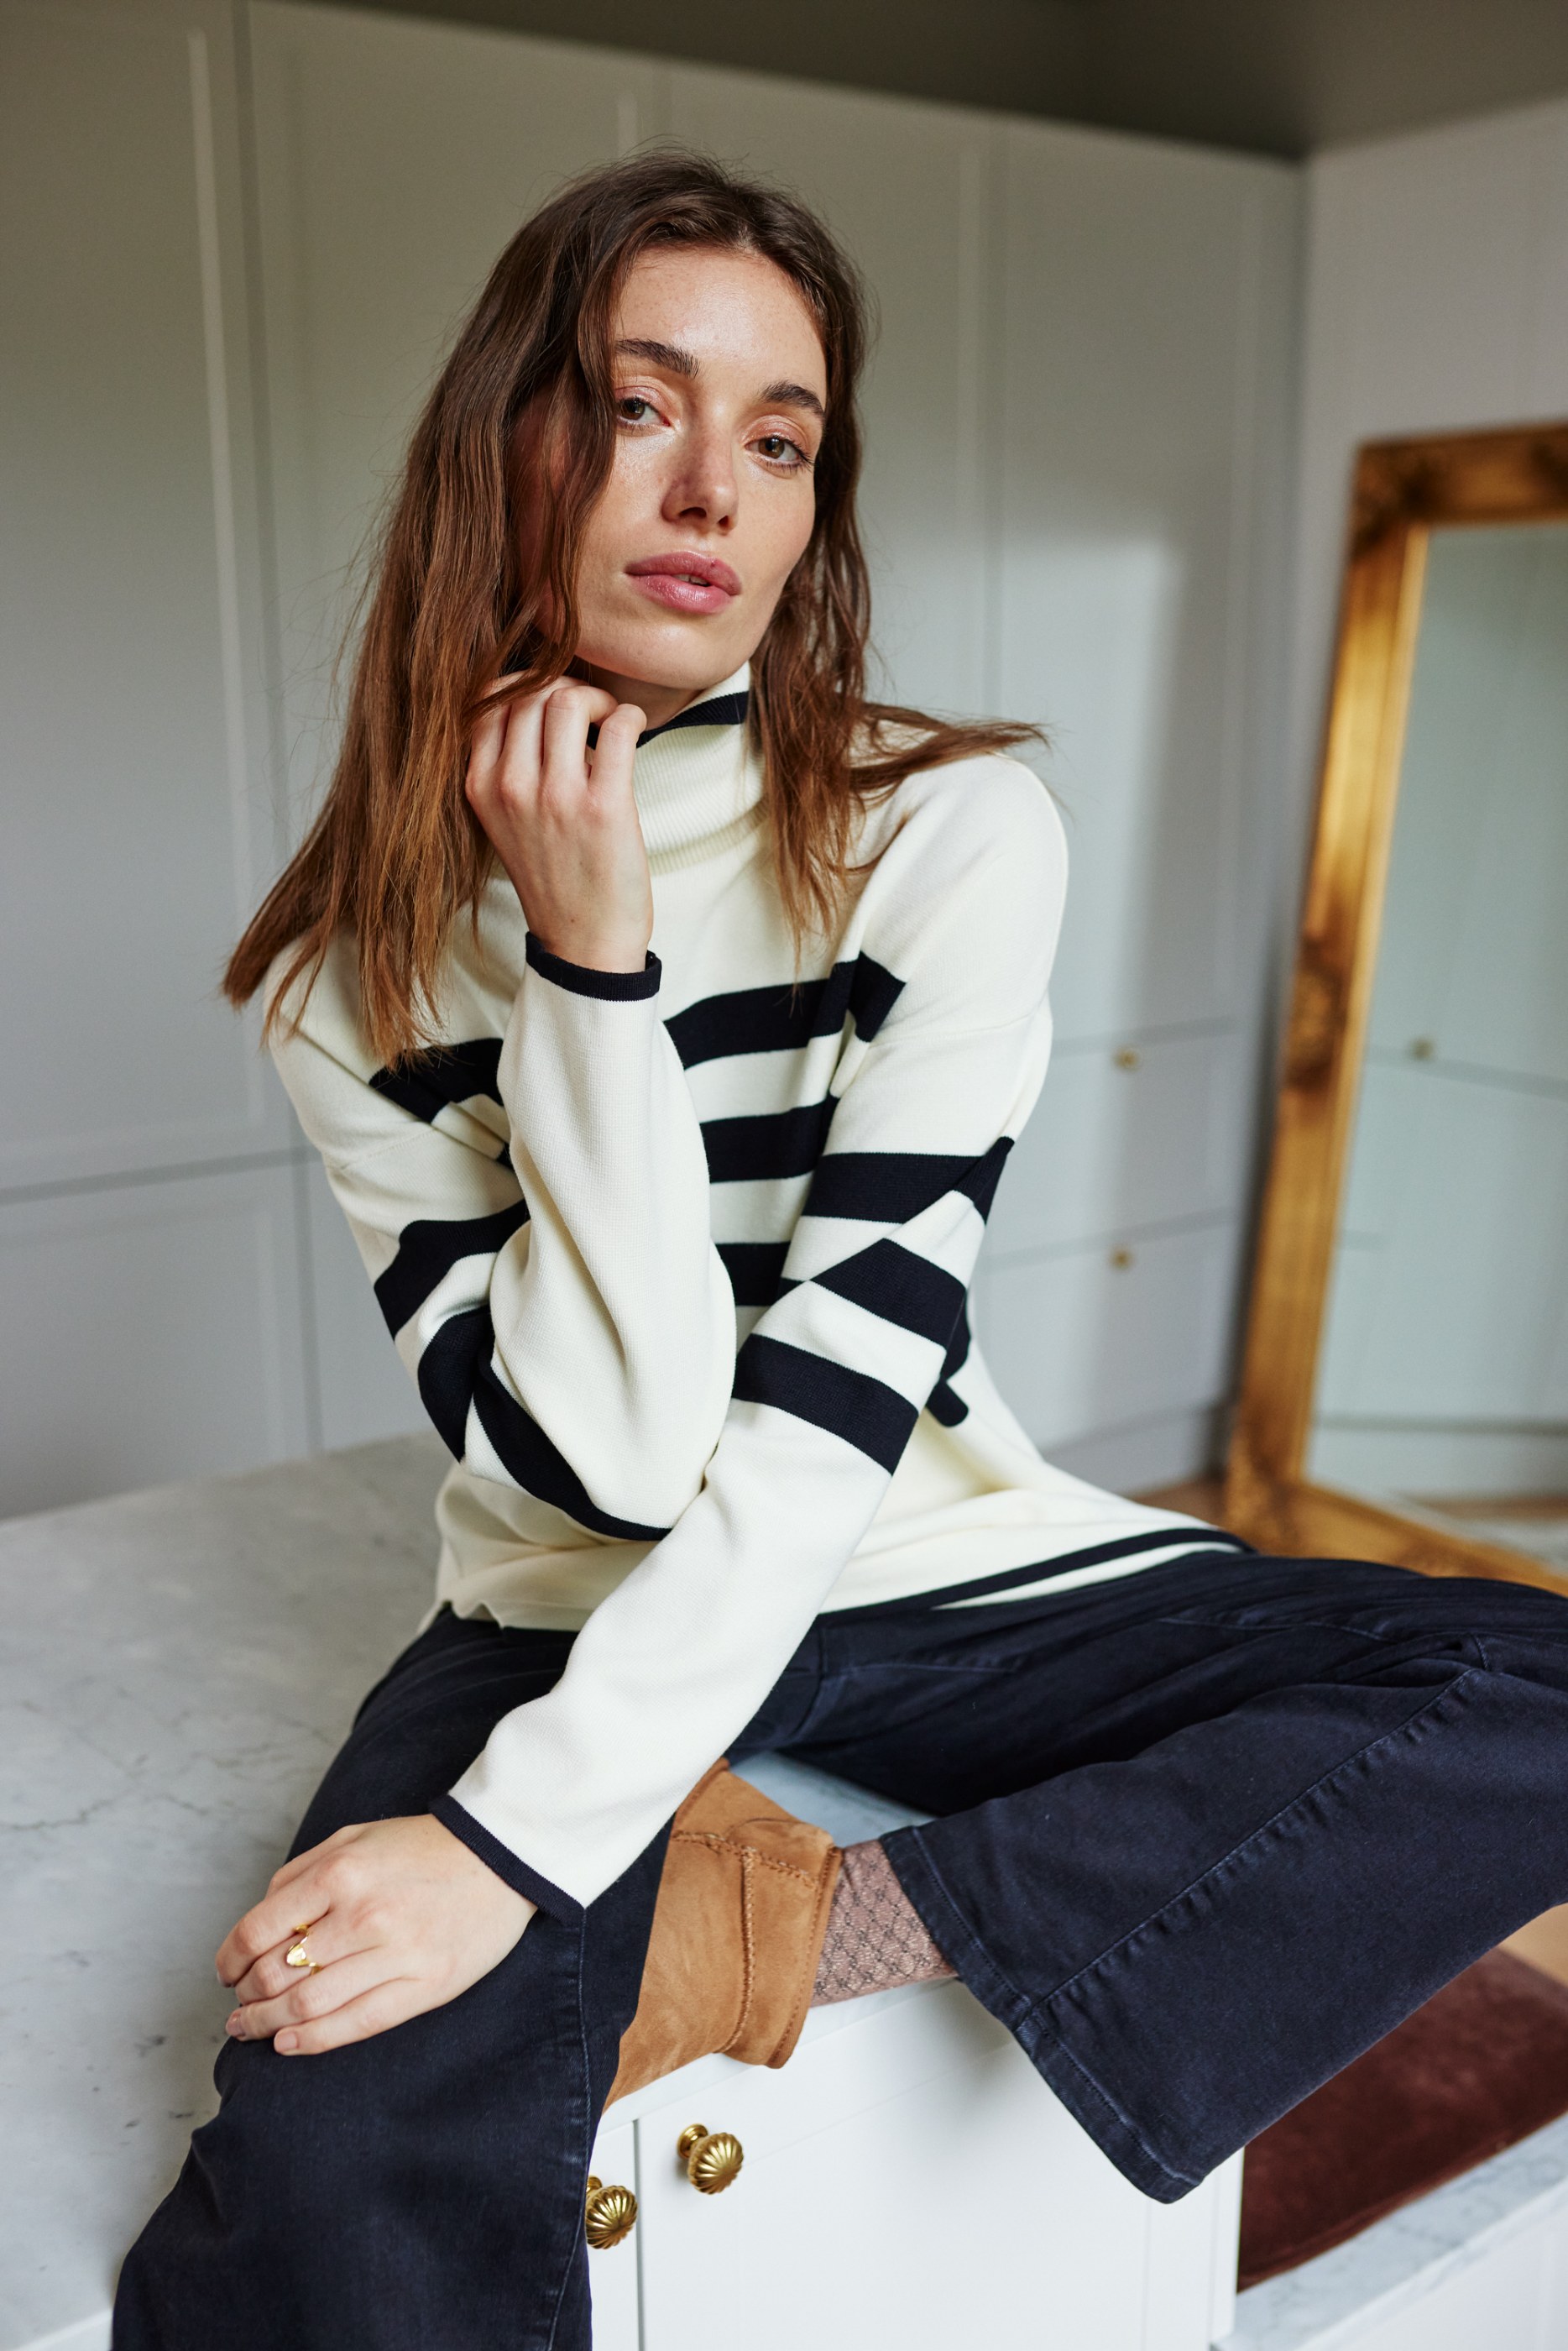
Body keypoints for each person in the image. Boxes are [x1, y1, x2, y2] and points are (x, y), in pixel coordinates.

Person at [114, 151, 1568, 2349]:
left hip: (932, 1566)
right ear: (505, 446)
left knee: (1536, 1697)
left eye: (779, 438)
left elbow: (826, 1413)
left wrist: (518, 1857)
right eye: (639, 406)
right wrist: (587, 966)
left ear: (815, 507)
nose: (712, 487)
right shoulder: (354, 974)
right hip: (562, 1602)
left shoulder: (943, 830)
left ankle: (797, 1925)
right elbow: (617, 1470)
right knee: (326, 2140)